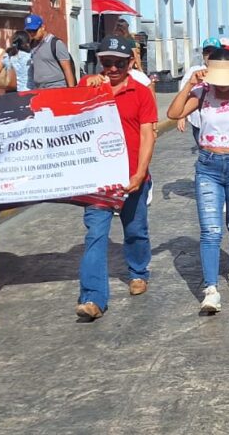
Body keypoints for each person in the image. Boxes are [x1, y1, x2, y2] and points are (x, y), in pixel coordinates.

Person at [167, 48, 229, 313]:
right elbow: (173, 113)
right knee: (210, 230)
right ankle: (211, 290)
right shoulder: (202, 92)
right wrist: (188, 85)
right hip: (208, 167)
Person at [75, 36, 158, 321]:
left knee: (135, 231)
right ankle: (93, 298)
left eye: (119, 63)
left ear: (130, 63)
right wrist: (85, 89)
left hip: (132, 175)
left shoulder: (141, 92)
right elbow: (67, 120)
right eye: (107, 62)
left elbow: (147, 135)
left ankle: (138, 272)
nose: (112, 69)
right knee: (95, 234)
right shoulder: (88, 87)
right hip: (98, 179)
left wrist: (140, 173)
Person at [177, 38, 222, 144]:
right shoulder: (193, 71)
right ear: (203, 54)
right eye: (207, 52)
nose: (210, 55)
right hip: (198, 122)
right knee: (203, 150)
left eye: (214, 52)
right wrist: (181, 116)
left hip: (220, 122)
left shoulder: (227, 71)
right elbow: (183, 93)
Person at [25, 14, 76, 89]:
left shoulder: (56, 44)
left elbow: (67, 69)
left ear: (43, 27)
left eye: (34, 30)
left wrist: (71, 90)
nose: (32, 34)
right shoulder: (32, 45)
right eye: (29, 31)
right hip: (39, 87)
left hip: (56, 86)